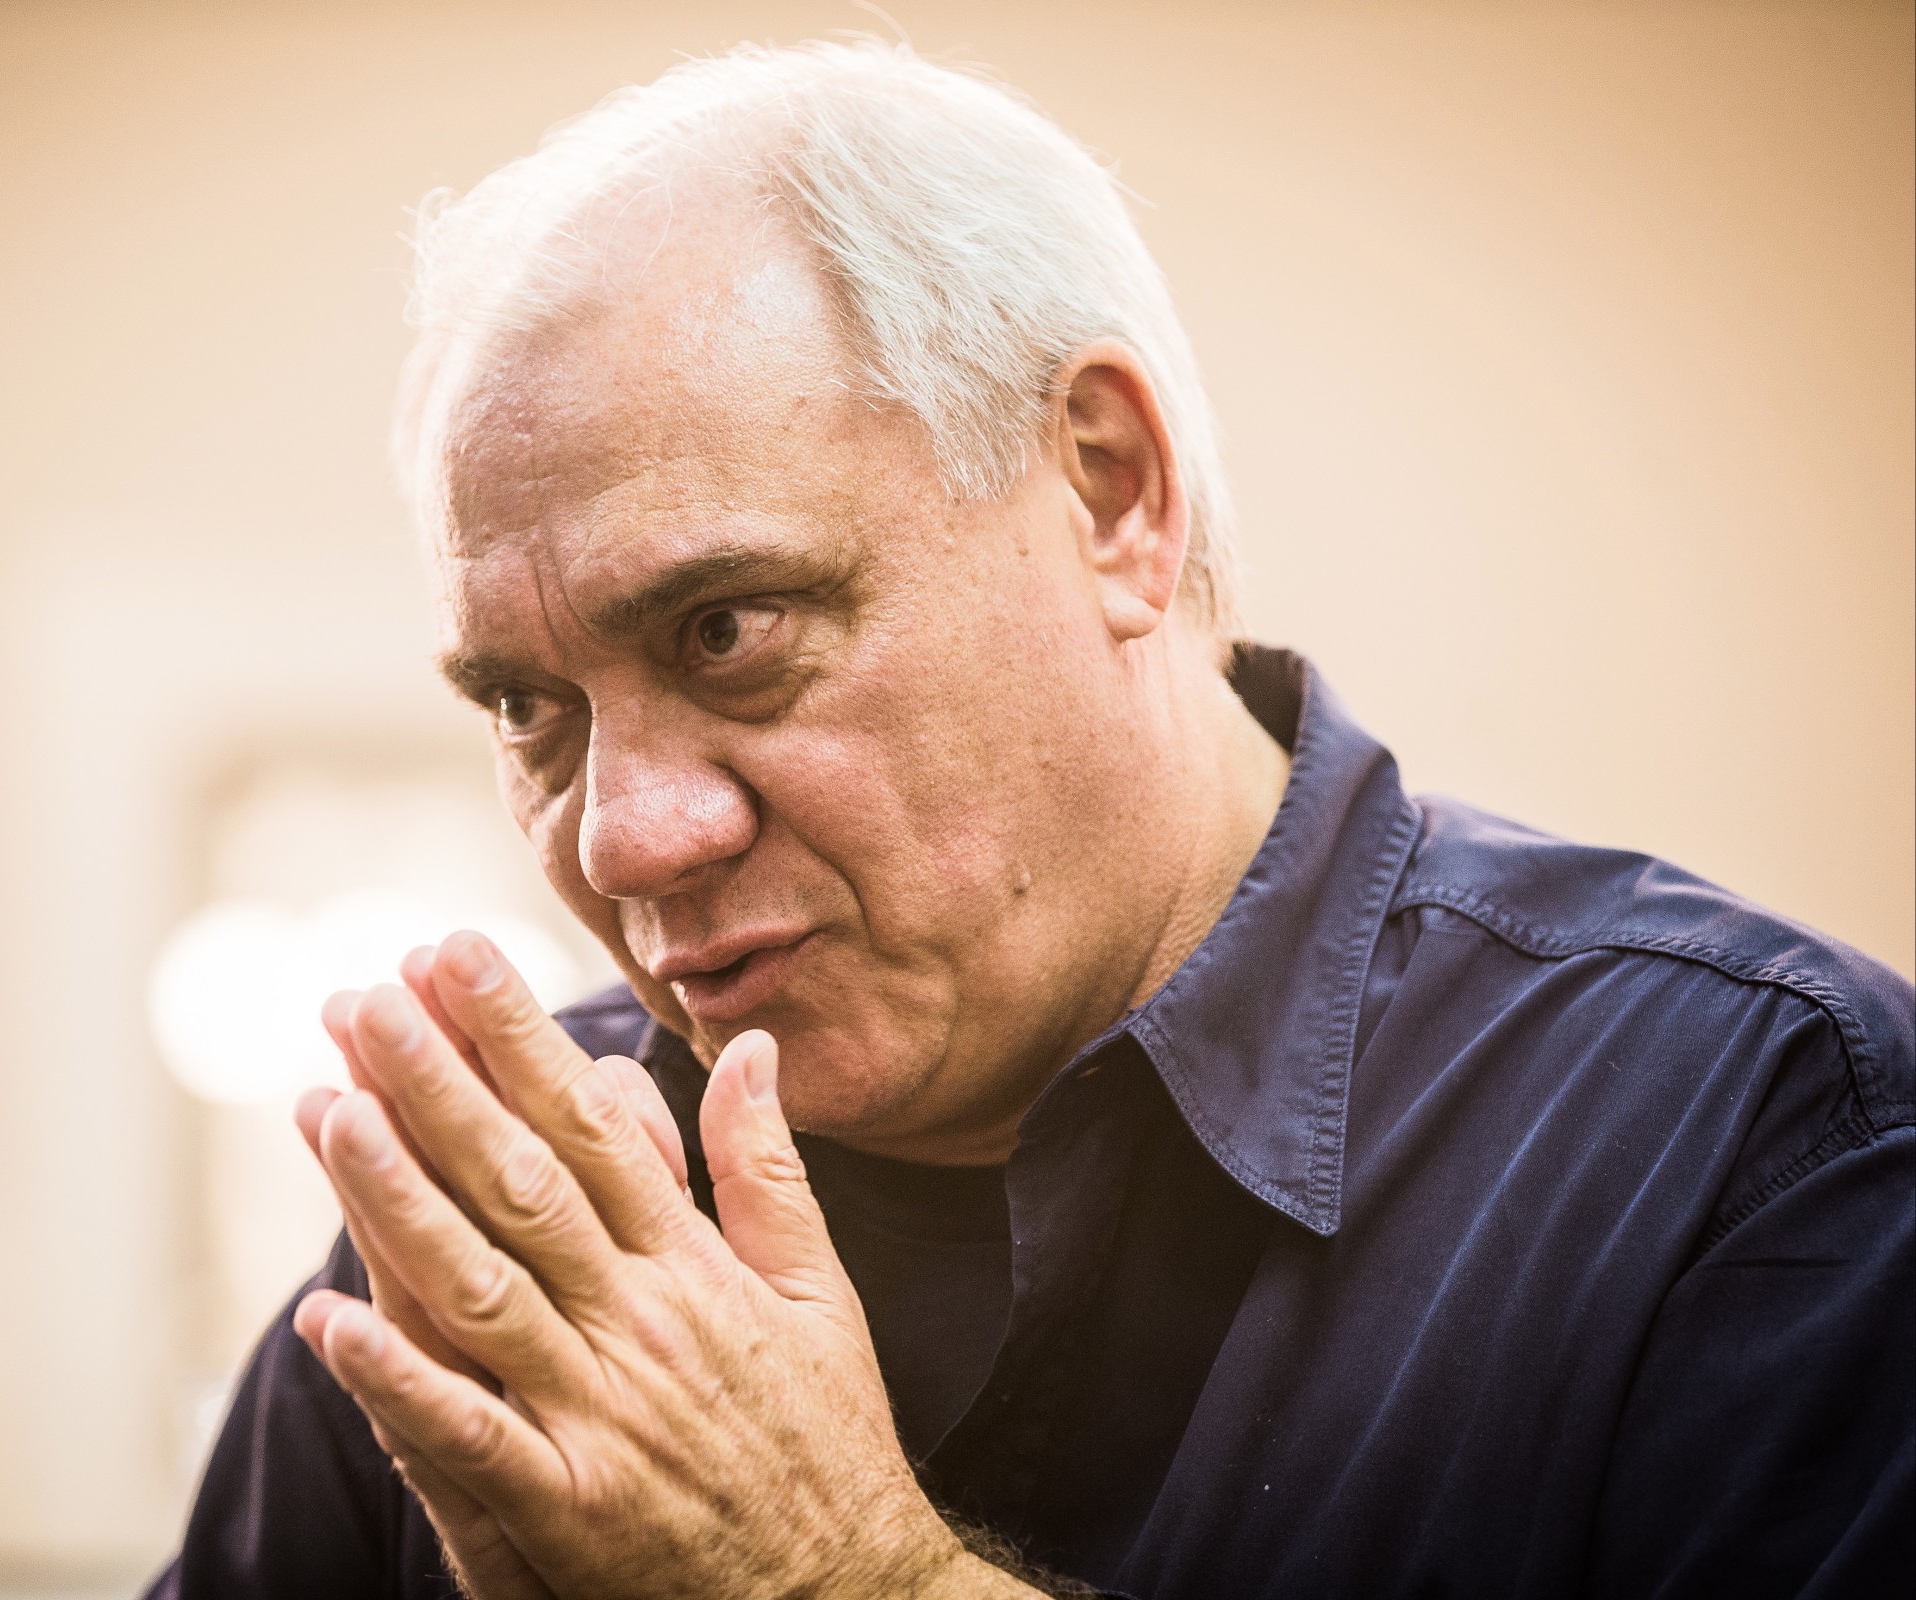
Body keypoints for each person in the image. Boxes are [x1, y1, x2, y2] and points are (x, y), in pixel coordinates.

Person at [148, 41, 1913, 1600]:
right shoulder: (517, 1234)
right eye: (532, 710)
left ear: (1109, 493)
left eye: (729, 631)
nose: (623, 841)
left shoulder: (1759, 1138)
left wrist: (837, 1583)